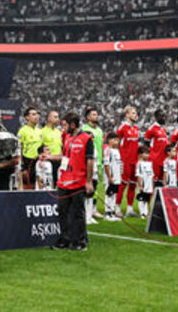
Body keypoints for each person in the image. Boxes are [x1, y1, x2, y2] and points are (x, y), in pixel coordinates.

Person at [51, 113, 94, 252]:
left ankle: (80, 241)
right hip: (64, 181)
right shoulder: (67, 138)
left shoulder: (87, 139)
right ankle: (65, 239)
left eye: (65, 125)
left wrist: (89, 181)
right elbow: (65, 157)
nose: (63, 128)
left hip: (78, 182)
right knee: (62, 211)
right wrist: (50, 157)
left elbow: (90, 161)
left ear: (73, 125)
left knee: (77, 213)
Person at [115, 105, 142, 218]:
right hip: (125, 160)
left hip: (134, 161)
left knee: (132, 184)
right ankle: (117, 208)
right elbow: (115, 142)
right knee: (122, 185)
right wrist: (118, 159)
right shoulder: (122, 128)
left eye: (135, 113)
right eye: (133, 113)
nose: (135, 115)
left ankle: (130, 209)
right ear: (127, 115)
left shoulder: (136, 129)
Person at [82, 106, 105, 222]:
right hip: (89, 161)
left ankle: (92, 210)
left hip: (99, 162)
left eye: (97, 114)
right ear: (88, 117)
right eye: (93, 114)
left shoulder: (100, 130)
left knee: (95, 187)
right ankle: (86, 212)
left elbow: (101, 147)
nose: (96, 116)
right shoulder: (85, 129)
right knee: (88, 187)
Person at [144, 111, 169, 195]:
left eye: (165, 116)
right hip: (155, 159)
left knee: (162, 182)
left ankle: (159, 204)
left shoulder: (163, 129)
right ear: (157, 117)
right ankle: (149, 204)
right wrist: (150, 156)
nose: (164, 118)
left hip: (163, 159)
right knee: (153, 182)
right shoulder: (152, 128)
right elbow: (146, 143)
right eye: (162, 116)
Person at [17, 107, 43, 190]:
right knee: (28, 187)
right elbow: (19, 149)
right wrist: (22, 166)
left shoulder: (40, 131)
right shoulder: (22, 131)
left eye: (37, 114)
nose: (36, 116)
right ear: (27, 117)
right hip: (27, 162)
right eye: (33, 114)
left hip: (39, 162)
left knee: (42, 185)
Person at [40, 111, 64, 187]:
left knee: (59, 186)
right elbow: (40, 148)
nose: (58, 119)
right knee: (49, 186)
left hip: (59, 161)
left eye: (58, 117)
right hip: (48, 163)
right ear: (49, 118)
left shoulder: (59, 132)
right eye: (55, 117)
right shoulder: (42, 132)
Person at [102, 134, 122, 221]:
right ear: (110, 140)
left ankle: (112, 212)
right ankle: (107, 213)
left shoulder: (117, 150)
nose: (117, 142)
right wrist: (109, 177)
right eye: (115, 140)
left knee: (114, 194)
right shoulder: (108, 150)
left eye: (118, 140)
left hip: (117, 177)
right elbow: (106, 165)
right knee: (109, 194)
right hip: (110, 177)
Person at [135, 146, 154, 219]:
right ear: (140, 155)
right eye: (145, 153)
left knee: (146, 199)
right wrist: (140, 185)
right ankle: (142, 213)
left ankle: (146, 213)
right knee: (141, 199)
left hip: (149, 185)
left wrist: (152, 184)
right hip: (143, 184)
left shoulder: (150, 164)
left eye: (148, 153)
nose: (147, 155)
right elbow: (139, 175)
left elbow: (151, 175)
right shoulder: (139, 164)